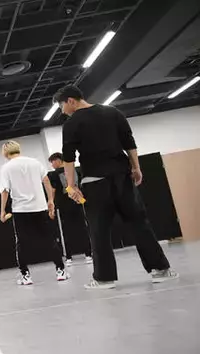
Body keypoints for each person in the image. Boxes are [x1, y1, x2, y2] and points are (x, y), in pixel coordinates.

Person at [53, 85, 178, 289]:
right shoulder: (113, 112)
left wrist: (71, 186)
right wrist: (136, 168)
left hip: (95, 183)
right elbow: (129, 143)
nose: (62, 111)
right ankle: (161, 270)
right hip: (122, 178)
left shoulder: (71, 124)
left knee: (99, 231)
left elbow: (68, 158)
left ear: (71, 101)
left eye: (61, 106)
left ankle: (104, 279)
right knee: (139, 224)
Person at [0, 141, 68, 285]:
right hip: (40, 207)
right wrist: (50, 200)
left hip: (20, 210)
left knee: (21, 243)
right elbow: (46, 181)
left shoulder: (6, 168)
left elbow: (4, 190)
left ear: (5, 153)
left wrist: (2, 210)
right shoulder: (35, 162)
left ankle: (25, 276)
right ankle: (60, 271)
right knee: (50, 239)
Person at [47, 152, 93, 265]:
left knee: (65, 231)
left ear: (58, 160)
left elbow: (53, 190)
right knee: (83, 228)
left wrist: (51, 204)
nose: (52, 165)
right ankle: (88, 254)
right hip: (78, 203)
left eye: (52, 162)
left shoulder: (54, 174)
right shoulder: (74, 170)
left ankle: (68, 257)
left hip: (63, 206)